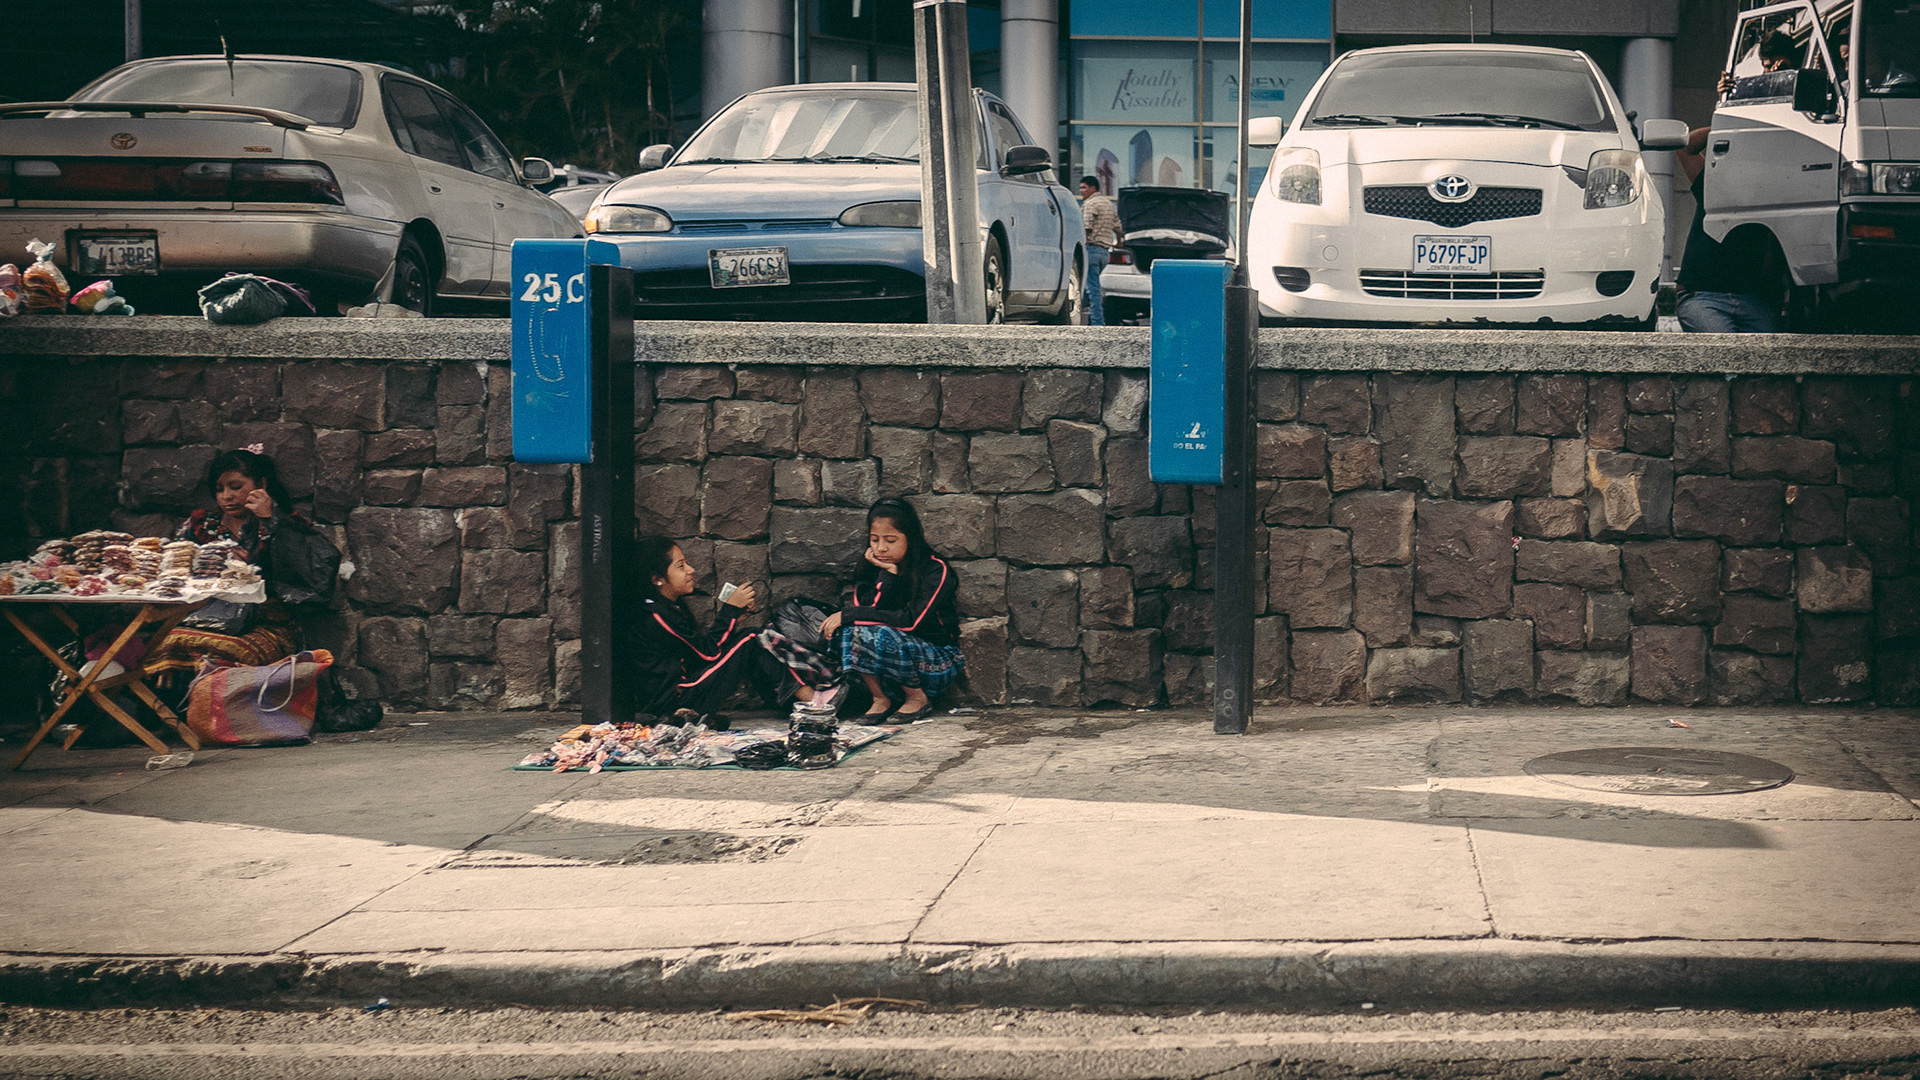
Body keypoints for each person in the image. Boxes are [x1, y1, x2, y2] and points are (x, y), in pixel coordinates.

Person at [147, 446, 342, 689]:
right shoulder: (201, 525)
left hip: (268, 624)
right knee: (165, 644)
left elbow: (309, 570)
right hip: (205, 618)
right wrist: (213, 565)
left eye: (236, 487)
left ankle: (221, 708)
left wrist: (270, 521)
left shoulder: (285, 525)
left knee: (226, 654)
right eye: (219, 489)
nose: (226, 496)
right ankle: (180, 710)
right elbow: (174, 569)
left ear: (261, 484)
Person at [633, 537, 825, 722]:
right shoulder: (655, 616)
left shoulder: (668, 608)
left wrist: (734, 619)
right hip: (676, 701)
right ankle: (813, 703)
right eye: (681, 566)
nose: (691, 570)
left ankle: (796, 703)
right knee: (751, 638)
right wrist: (729, 611)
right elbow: (707, 654)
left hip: (686, 690)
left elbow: (698, 652)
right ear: (657, 579)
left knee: (749, 640)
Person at [817, 498, 963, 721]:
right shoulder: (869, 567)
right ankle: (879, 698)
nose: (881, 547)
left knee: (876, 631)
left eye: (891, 540)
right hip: (886, 672)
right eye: (874, 539)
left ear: (910, 538)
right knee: (849, 631)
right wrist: (888, 575)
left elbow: (911, 622)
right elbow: (869, 614)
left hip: (934, 662)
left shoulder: (935, 569)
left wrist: (848, 614)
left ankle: (917, 698)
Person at [1673, 125, 1784, 333]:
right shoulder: (1714, 185)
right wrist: (1732, 123)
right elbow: (1685, 146)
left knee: (1771, 349)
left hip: (1752, 301)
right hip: (1703, 297)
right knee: (1723, 344)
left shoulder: (1775, 195)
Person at [1078, 176, 1120, 326]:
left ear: (1093, 188)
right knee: (1086, 286)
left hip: (1091, 249)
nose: (1081, 191)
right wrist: (1119, 242)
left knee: (1093, 289)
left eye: (1083, 187)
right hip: (1104, 253)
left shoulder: (1090, 204)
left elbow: (1086, 227)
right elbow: (1118, 227)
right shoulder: (1108, 204)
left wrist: (1080, 245)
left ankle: (1097, 322)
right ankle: (1074, 315)